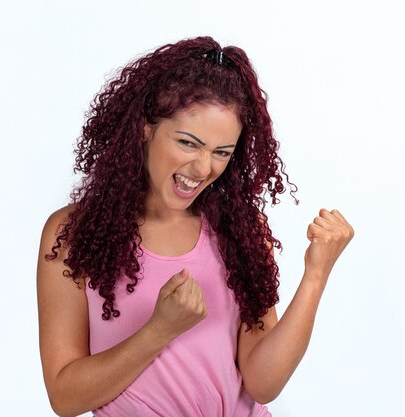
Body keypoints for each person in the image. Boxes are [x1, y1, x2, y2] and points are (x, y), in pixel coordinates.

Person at [36, 36, 354, 417]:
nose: (204, 169)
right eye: (188, 143)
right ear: (145, 128)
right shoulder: (73, 234)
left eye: (221, 152)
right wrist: (160, 330)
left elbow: (263, 384)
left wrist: (316, 275)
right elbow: (65, 397)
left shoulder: (241, 231)